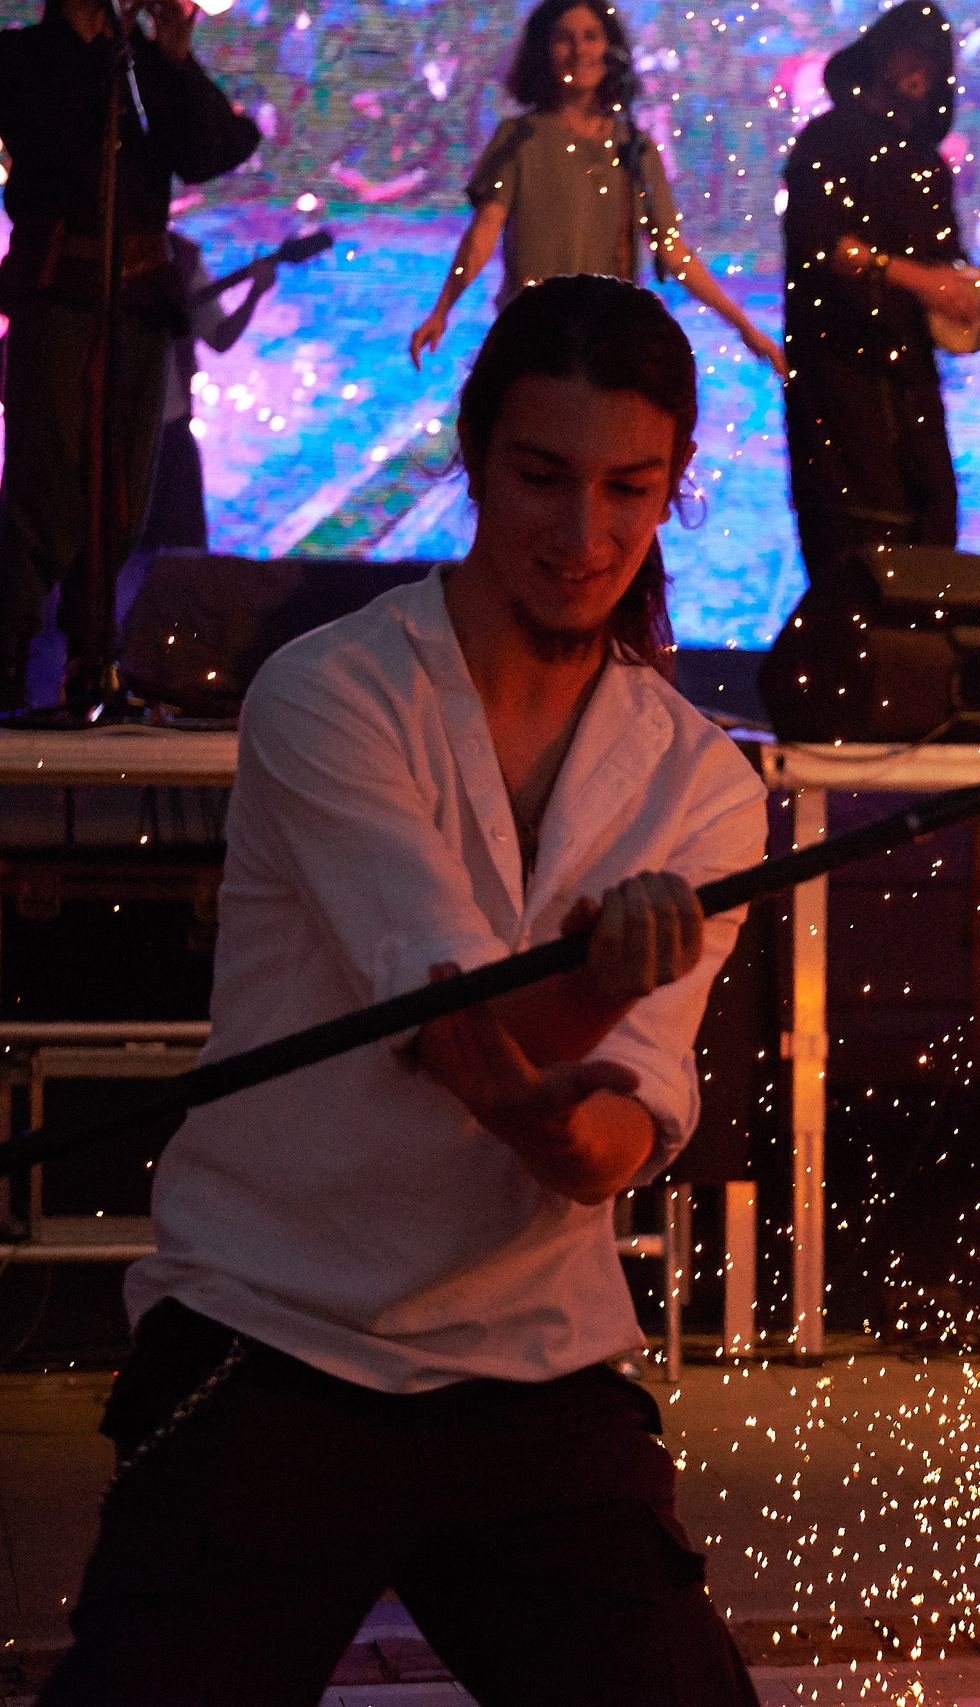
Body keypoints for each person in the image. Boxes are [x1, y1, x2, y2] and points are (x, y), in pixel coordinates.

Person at [38, 276, 769, 1705]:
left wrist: (576, 1118)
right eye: (544, 478)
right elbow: (454, 1027)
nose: (582, 535)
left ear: (678, 485)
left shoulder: (701, 784)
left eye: (628, 487)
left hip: (534, 1368)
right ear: (476, 455)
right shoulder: (332, 696)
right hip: (275, 1342)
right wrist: (578, 1006)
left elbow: (606, 1144)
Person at [0, 0, 259, 709]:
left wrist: (173, 58)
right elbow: (47, 133)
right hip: (59, 298)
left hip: (139, 306)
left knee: (121, 499)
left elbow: (218, 150)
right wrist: (110, 57)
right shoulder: (21, 58)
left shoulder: (144, 65)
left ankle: (94, 666)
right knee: (43, 493)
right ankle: (6, 670)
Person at [407, 0, 785, 380]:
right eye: (563, 39)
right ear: (543, 50)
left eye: (591, 37)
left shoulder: (635, 148)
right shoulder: (519, 138)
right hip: (533, 340)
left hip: (609, 347)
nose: (579, 50)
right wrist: (441, 310)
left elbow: (672, 251)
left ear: (611, 50)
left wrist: (743, 326)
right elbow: (483, 232)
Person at [777, 0, 980, 576]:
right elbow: (828, 248)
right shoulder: (826, 141)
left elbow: (940, 286)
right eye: (912, 49)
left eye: (934, 58)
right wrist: (918, 278)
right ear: (881, 53)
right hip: (838, 374)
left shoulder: (927, 165)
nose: (921, 67)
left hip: (910, 384)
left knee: (930, 535)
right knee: (855, 543)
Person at [134, 230, 280, 554]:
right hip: (117, 428)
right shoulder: (103, 248)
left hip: (171, 427)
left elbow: (219, 336)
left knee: (182, 546)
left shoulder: (182, 256)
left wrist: (255, 292)